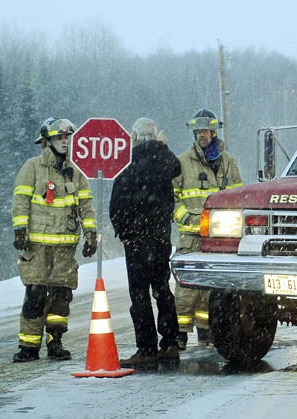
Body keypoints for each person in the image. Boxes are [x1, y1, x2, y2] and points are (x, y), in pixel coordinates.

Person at [11, 118, 97, 362]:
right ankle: (28, 346)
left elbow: (86, 207)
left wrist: (90, 234)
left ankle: (55, 342)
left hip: (64, 249)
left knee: (61, 298)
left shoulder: (76, 173)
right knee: (36, 295)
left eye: (67, 137)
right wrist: (20, 230)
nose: (65, 141)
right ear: (47, 142)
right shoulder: (33, 168)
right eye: (59, 138)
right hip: (37, 248)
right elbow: (20, 201)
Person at [110, 118, 181, 368]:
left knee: (139, 295)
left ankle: (147, 348)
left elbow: (116, 205)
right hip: (161, 238)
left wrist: (126, 233)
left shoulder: (128, 164)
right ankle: (171, 343)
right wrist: (161, 147)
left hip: (138, 243)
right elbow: (176, 167)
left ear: (134, 137)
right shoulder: (163, 162)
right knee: (162, 290)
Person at [172, 108, 242, 350]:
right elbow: (173, 198)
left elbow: (238, 197)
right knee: (186, 288)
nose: (202, 135)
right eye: (198, 131)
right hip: (190, 236)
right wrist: (187, 220)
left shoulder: (228, 162)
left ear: (214, 132)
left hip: (219, 239)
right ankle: (180, 333)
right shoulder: (181, 162)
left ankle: (205, 330)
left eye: (206, 130)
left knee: (210, 288)